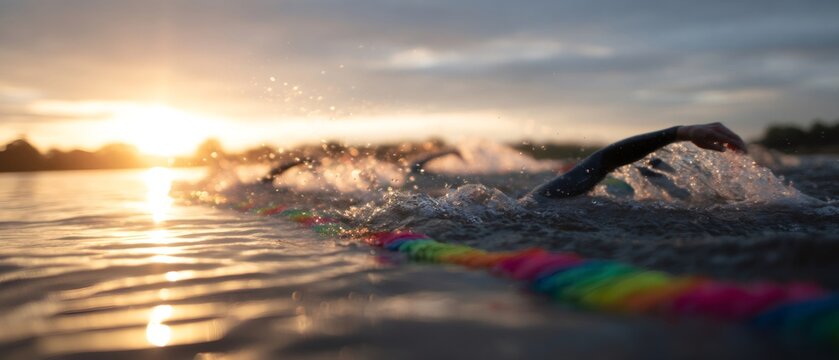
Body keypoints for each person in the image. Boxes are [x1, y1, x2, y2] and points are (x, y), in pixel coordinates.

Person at [523, 122, 746, 200]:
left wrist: (681, 132)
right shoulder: (531, 207)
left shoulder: (528, 208)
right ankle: (652, 170)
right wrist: (680, 132)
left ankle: (651, 169)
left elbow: (603, 161)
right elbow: (604, 161)